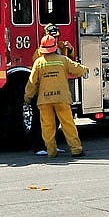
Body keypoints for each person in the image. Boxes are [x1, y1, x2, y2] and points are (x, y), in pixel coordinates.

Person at [25, 35, 89, 158]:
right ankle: (76, 150)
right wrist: (85, 70)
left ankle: (51, 151)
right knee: (68, 124)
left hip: (44, 100)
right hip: (61, 99)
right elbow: (77, 69)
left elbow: (32, 82)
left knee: (47, 126)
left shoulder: (38, 62)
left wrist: (28, 97)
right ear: (55, 47)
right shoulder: (62, 60)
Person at [29, 23, 77, 154]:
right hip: (42, 92)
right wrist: (29, 94)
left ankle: (52, 146)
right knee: (40, 121)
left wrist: (70, 50)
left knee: (55, 121)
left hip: (58, 90)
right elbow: (35, 73)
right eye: (52, 36)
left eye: (56, 37)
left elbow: (70, 62)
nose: (54, 39)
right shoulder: (39, 52)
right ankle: (39, 147)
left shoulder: (62, 47)